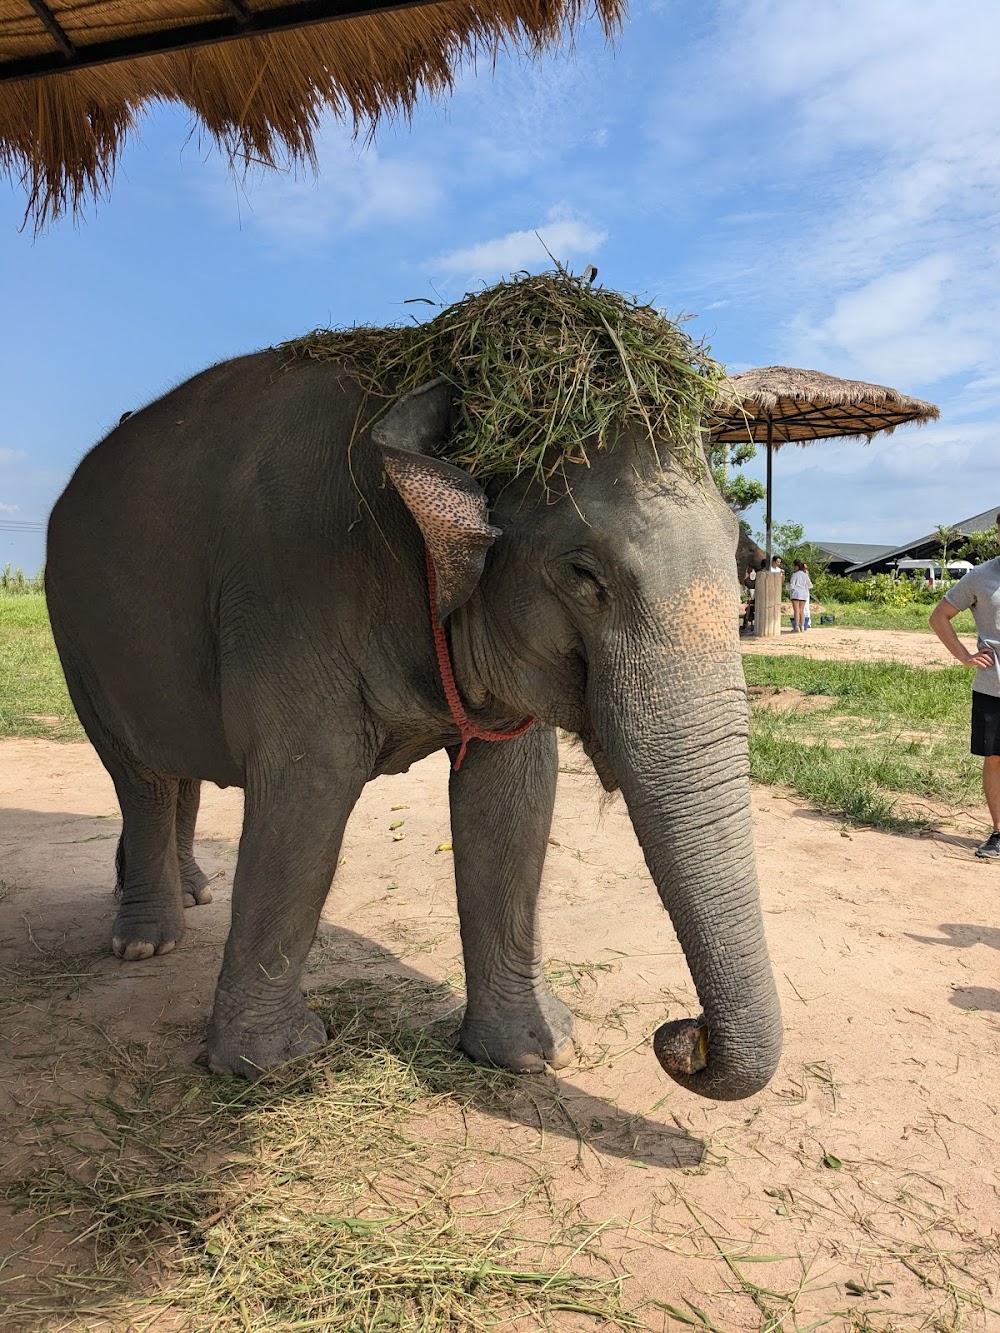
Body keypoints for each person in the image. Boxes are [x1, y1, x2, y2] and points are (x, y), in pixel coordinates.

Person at [930, 523, 1000, 858]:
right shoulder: (980, 577)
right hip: (992, 688)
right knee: (995, 759)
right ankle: (999, 833)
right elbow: (939, 616)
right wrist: (964, 656)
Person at [789, 559, 813, 633]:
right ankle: (802, 626)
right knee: (802, 610)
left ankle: (796, 626)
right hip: (804, 593)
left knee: (796, 610)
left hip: (796, 593)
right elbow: (810, 585)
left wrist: (787, 587)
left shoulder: (795, 574)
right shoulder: (805, 575)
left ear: (796, 566)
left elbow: (792, 585)